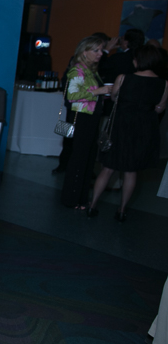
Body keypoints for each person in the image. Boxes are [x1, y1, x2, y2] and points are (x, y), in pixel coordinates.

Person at [87, 45, 168, 220]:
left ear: (139, 60)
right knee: (131, 172)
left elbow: (114, 98)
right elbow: (160, 108)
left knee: (107, 169)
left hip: (120, 126)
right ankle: (122, 210)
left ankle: (92, 205)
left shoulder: (123, 78)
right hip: (143, 129)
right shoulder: (164, 83)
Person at [60, 36, 109, 210]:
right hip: (82, 118)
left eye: (101, 50)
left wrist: (102, 93)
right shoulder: (78, 70)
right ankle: (72, 198)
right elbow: (72, 95)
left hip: (90, 117)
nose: (100, 54)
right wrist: (99, 91)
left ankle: (80, 198)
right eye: (96, 50)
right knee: (80, 158)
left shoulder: (91, 70)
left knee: (87, 158)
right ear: (84, 52)